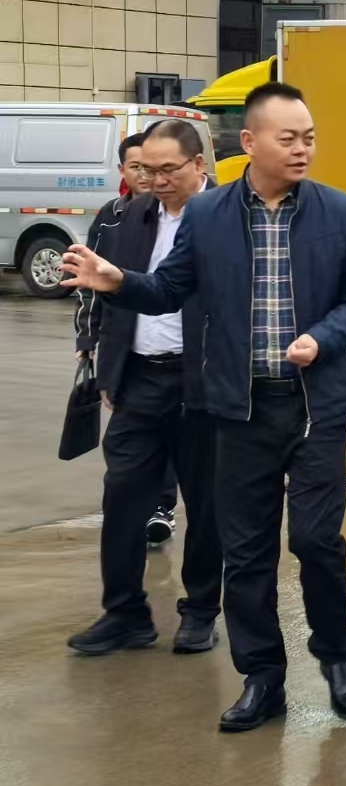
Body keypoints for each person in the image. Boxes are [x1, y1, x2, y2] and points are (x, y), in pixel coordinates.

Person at [62, 82, 346, 732]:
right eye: (289, 138)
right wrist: (118, 282)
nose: (303, 149)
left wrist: (324, 337)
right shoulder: (208, 217)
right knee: (247, 550)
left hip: (314, 406)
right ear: (251, 143)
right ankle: (262, 678)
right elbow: (169, 288)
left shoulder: (341, 212)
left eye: (309, 137)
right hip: (238, 408)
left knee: (316, 539)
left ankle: (335, 654)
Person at [65, 120, 223, 658]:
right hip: (140, 380)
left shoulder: (228, 216)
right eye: (146, 170)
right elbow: (112, 294)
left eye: (167, 170)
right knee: (123, 495)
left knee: (206, 504)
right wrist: (110, 372)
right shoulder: (130, 216)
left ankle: (200, 611)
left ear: (198, 164)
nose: (155, 180)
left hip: (204, 382)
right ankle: (125, 613)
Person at [73, 131, 177, 550]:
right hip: (130, 352)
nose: (148, 176)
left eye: (157, 168)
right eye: (139, 167)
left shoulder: (192, 216)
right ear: (123, 170)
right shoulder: (113, 217)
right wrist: (88, 335)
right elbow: (91, 283)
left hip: (179, 354)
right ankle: (127, 525)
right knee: (128, 450)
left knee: (176, 440)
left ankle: (161, 507)